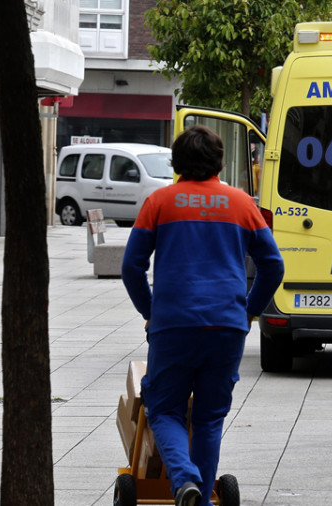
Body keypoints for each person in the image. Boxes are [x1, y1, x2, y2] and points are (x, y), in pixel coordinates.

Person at [122, 125, 284, 506]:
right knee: (209, 419)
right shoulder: (243, 204)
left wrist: (151, 312)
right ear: (219, 162)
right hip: (226, 326)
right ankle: (201, 499)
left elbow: (131, 267)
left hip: (174, 325)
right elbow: (273, 266)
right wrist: (247, 313)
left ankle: (185, 483)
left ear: (176, 162)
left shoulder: (159, 203)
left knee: (163, 408)